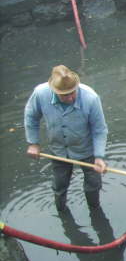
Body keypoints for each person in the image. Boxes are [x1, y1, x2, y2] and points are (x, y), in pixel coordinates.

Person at [24, 65, 108, 211]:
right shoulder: (40, 93)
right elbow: (31, 117)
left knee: (93, 185)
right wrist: (33, 143)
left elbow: (99, 129)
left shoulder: (91, 98)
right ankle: (61, 210)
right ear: (54, 90)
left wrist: (99, 157)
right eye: (64, 95)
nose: (69, 98)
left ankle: (95, 210)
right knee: (59, 185)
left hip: (87, 149)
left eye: (72, 93)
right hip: (59, 150)